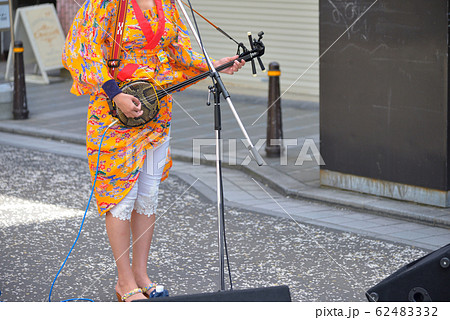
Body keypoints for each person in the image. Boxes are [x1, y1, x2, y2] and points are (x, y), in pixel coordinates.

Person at [62, 0, 244, 302]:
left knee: (147, 195)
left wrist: (216, 64)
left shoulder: (168, 4)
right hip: (114, 114)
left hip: (155, 110)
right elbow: (81, 50)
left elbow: (180, 52)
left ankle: (141, 275)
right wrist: (114, 93)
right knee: (121, 197)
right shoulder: (106, 3)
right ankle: (124, 282)